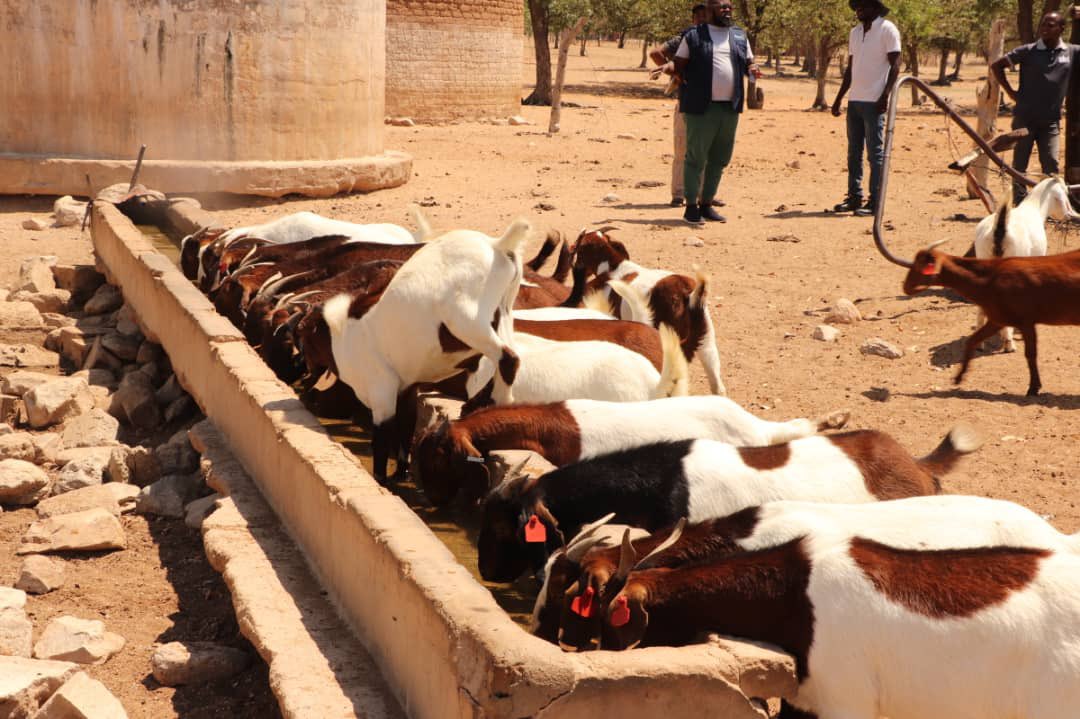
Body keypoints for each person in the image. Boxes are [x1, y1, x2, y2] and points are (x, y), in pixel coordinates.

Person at [672, 0, 761, 225]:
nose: (727, 10)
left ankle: (707, 204)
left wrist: (752, 69)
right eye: (722, 7)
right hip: (701, 109)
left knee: (720, 158)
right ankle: (691, 206)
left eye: (729, 7)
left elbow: (749, 62)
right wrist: (684, 85)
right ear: (710, 10)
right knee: (695, 157)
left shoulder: (739, 36)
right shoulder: (694, 36)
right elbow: (678, 65)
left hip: (729, 108)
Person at [990, 9, 1080, 205]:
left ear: (1061, 29)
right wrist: (1012, 93)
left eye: (1050, 25)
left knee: (1051, 166)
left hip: (1051, 121)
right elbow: (997, 66)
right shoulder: (1028, 51)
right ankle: (1019, 204)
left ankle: (1048, 206)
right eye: (1043, 24)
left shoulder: (1071, 52)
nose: (1044, 28)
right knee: (1019, 165)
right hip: (1025, 119)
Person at [830, 0, 901, 217]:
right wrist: (839, 98)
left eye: (865, 6)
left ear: (875, 8)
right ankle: (854, 197)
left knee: (875, 153)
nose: (860, 9)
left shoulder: (887, 29)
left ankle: (875, 200)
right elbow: (851, 69)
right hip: (855, 101)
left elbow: (896, 64)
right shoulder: (855, 32)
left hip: (874, 101)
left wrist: (886, 95)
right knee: (854, 152)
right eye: (857, 6)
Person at [649, 3, 709, 207]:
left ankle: (705, 194)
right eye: (698, 16)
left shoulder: (720, 38)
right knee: (682, 148)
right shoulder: (685, 37)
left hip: (711, 104)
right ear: (693, 19)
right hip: (686, 101)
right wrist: (677, 74)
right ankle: (678, 193)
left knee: (707, 150)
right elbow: (656, 53)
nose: (702, 19)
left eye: (706, 16)